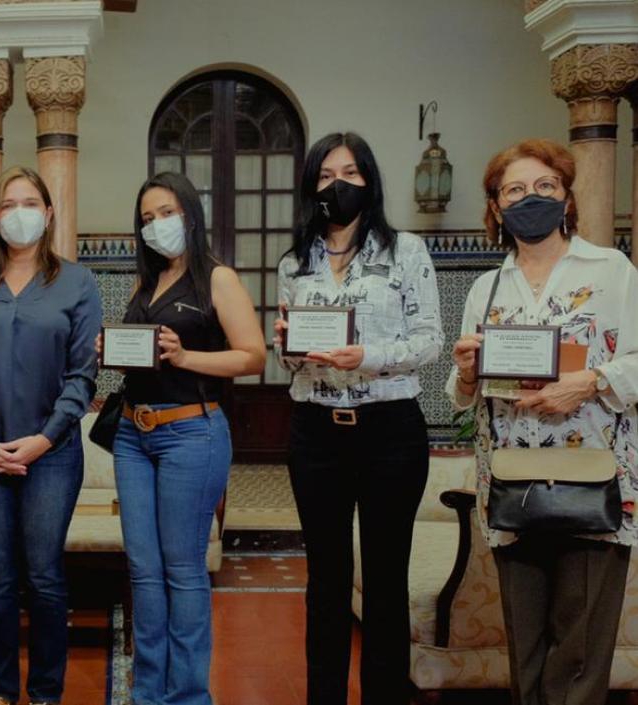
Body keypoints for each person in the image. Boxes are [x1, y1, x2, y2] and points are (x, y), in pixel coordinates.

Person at [447, 138, 638, 705]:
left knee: (578, 653)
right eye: (515, 190)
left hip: (594, 478)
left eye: (544, 187)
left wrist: (591, 381)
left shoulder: (611, 270)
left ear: (566, 196)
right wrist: (464, 371)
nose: (530, 198)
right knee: (525, 642)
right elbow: (463, 395)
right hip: (512, 481)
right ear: (496, 206)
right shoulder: (487, 288)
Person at [273, 132, 442, 705]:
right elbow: (291, 355)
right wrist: (288, 346)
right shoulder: (295, 261)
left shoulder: (407, 251)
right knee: (324, 579)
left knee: (386, 579)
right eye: (324, 175)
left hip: (389, 430)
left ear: (369, 181)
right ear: (310, 186)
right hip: (315, 431)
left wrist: (366, 357)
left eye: (349, 173)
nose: (337, 185)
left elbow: (429, 341)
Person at [100, 172, 264, 705]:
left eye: (165, 213)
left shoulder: (217, 279)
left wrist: (186, 355)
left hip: (191, 432)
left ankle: (189, 696)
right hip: (132, 434)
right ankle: (148, 693)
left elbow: (253, 356)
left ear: (190, 216)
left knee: (183, 569)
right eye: (146, 219)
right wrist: (110, 346)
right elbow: (136, 354)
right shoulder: (144, 284)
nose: (156, 226)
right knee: (143, 572)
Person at [0, 165, 102, 705]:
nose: (19, 214)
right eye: (7, 204)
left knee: (46, 576)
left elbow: (83, 376)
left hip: (51, 456)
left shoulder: (78, 283)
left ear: (49, 212)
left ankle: (46, 692)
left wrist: (44, 439)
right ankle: (3, 689)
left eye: (30, 202)